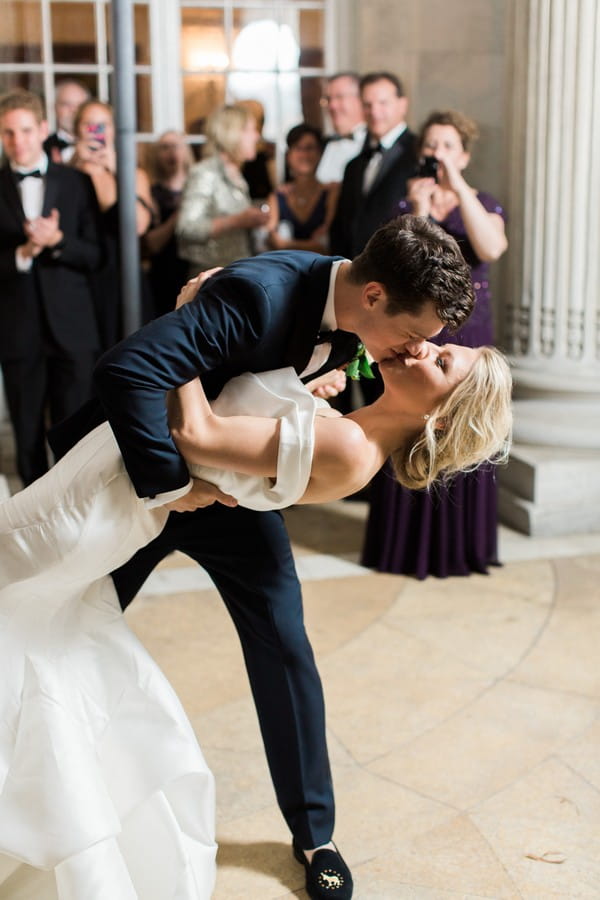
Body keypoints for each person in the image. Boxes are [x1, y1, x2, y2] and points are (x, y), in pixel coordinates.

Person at [0, 278, 511, 898]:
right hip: (153, 479)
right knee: (71, 615)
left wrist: (186, 322)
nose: (426, 345)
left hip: (229, 503)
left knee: (284, 643)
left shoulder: (361, 436)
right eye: (430, 338)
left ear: (442, 412)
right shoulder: (346, 333)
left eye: (443, 353)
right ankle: (60, 777)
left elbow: (226, 432)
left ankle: (314, 833)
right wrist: (309, 387)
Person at [362, 110, 509, 578]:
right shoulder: (406, 207)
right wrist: (419, 211)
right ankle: (404, 548)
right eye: (431, 145)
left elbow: (489, 249)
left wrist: (458, 188)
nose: (436, 154)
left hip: (468, 341)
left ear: (463, 155)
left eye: (447, 146)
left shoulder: (484, 202)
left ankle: (460, 547)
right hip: (418, 334)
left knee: (460, 431)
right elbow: (409, 266)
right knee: (409, 423)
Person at [0, 88, 102, 486]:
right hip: (17, 332)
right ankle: (32, 534)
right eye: (8, 133)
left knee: (78, 436)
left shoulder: (76, 183)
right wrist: (23, 252)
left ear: (43, 129)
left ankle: (77, 531)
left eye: (25, 130)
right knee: (26, 436)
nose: (17, 141)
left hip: (73, 331)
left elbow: (96, 256)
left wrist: (58, 241)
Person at [71, 99, 155, 347]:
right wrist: (78, 164)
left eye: (103, 124)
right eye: (89, 125)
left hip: (123, 276)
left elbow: (139, 225)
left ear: (113, 130)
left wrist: (117, 172)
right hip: (81, 280)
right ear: (78, 131)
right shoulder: (67, 174)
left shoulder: (133, 174)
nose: (96, 131)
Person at [330, 71, 416, 261]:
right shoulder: (353, 166)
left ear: (402, 105)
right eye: (368, 105)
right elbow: (341, 227)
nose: (375, 112)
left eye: (383, 103)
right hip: (356, 270)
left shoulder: (419, 154)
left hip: (400, 269)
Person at [176, 104, 269, 275]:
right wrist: (236, 221)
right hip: (211, 280)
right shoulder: (205, 173)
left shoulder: (237, 175)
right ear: (232, 134)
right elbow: (186, 228)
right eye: (250, 130)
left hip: (236, 274)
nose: (257, 136)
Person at [142, 129, 193, 317]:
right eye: (164, 147)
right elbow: (152, 244)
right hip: (164, 273)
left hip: (193, 267)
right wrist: (178, 216)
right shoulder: (151, 192)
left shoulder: (198, 188)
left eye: (176, 146)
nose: (171, 152)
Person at [266, 123, 338, 254]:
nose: (304, 154)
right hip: (286, 271)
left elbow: (325, 246)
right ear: (288, 155)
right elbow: (270, 240)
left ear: (320, 154)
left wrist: (285, 244)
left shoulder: (331, 192)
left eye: (310, 148)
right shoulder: (277, 196)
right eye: (298, 148)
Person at [316, 72, 367, 184]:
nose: (332, 106)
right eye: (328, 99)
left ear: (361, 99)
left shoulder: (374, 144)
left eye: (340, 97)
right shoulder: (324, 144)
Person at [43, 78, 90, 163]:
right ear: (55, 107)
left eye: (79, 105)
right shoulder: (42, 146)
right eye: (66, 104)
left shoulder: (100, 146)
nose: (74, 110)